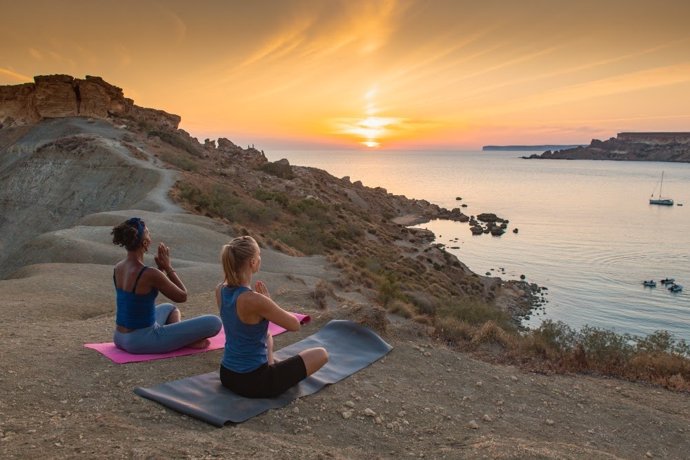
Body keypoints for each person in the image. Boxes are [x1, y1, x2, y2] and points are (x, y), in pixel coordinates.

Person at [217, 235, 328, 398]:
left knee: (268, 337)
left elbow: (238, 323)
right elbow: (294, 325)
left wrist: (265, 305)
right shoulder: (254, 300)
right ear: (253, 262)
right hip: (254, 382)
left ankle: (269, 365)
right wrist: (269, 303)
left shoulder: (219, 290)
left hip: (226, 374)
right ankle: (270, 371)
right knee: (321, 354)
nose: (260, 259)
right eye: (258, 255)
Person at [111, 217, 222, 353]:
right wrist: (168, 268)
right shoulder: (150, 274)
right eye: (148, 233)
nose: (151, 236)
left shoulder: (118, 267)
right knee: (214, 322)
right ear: (145, 243)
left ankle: (180, 338)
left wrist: (160, 271)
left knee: (170, 308)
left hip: (119, 337)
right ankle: (185, 340)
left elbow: (136, 299)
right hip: (141, 341)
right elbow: (182, 296)